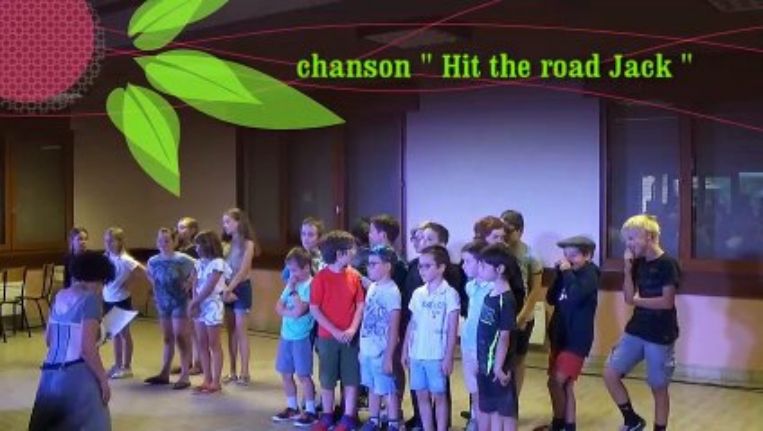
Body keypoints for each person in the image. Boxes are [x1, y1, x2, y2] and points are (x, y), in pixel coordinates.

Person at [604, 215, 681, 431]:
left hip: (660, 334)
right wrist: (627, 270)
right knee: (610, 373)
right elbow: (628, 297)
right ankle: (632, 420)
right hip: (636, 329)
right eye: (626, 240)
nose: (628, 244)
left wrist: (638, 301)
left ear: (650, 236)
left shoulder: (668, 264)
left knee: (658, 386)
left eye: (632, 238)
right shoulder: (637, 263)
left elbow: (666, 302)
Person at [29, 251, 115, 431]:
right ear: (96, 277)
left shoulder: (60, 295)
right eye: (102, 282)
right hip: (76, 373)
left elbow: (49, 339)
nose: (101, 288)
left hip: (50, 374)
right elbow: (87, 349)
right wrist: (103, 380)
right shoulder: (90, 300)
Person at [309, 231, 365, 431]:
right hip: (327, 337)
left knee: (351, 378)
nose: (355, 252)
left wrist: (352, 328)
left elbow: (360, 304)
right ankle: (327, 415)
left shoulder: (354, 276)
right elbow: (314, 308)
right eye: (351, 249)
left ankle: (348, 416)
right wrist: (333, 331)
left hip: (350, 337)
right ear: (340, 254)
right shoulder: (321, 278)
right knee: (327, 378)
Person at [543, 236, 600, 431]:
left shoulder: (590, 274)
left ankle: (562, 424)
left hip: (576, 340)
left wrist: (567, 273)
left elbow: (576, 296)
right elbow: (551, 299)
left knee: (557, 381)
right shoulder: (566, 274)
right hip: (560, 337)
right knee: (562, 385)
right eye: (566, 255)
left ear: (588, 256)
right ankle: (564, 424)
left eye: (574, 255)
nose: (568, 259)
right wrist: (558, 276)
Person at [402, 245, 460, 431]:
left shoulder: (449, 294)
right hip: (417, 353)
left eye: (427, 266)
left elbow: (452, 328)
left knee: (439, 396)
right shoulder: (418, 293)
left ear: (441, 267)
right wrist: (405, 350)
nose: (422, 270)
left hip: (436, 354)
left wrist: (449, 356)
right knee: (421, 395)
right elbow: (412, 323)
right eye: (420, 266)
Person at [475, 243, 521, 431]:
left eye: (484, 265)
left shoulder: (506, 300)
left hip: (498, 365)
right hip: (486, 363)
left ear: (500, 269)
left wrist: (498, 366)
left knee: (505, 410)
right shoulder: (490, 294)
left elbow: (504, 336)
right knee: (490, 408)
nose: (480, 268)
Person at [272, 247, 319, 427]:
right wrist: (288, 310)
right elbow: (278, 307)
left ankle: (310, 410)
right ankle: (292, 407)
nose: (292, 274)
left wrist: (292, 293)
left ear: (306, 267)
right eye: (290, 270)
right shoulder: (291, 284)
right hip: (286, 334)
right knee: (285, 373)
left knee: (303, 374)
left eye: (294, 270)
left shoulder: (310, 285)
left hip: (302, 336)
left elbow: (300, 310)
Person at [144, 228, 196, 390]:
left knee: (181, 337)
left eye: (167, 240)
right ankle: (164, 372)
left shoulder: (183, 259)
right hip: (163, 302)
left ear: (174, 242)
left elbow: (199, 269)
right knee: (167, 337)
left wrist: (189, 283)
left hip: (179, 301)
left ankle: (185, 374)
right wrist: (155, 290)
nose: (163, 244)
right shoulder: (153, 261)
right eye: (160, 240)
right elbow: (150, 275)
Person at [358, 245, 403, 431]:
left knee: (387, 389)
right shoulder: (373, 287)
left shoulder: (392, 292)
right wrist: (362, 348)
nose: (369, 267)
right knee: (372, 386)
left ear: (388, 266)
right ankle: (374, 419)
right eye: (368, 264)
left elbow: (393, 326)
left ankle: (393, 422)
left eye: (374, 264)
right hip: (368, 347)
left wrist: (388, 356)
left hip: (382, 350)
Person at [500, 210, 542, 394]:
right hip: (502, 312)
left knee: (518, 359)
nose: (504, 235)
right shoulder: (498, 252)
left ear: (520, 231)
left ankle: (514, 399)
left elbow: (535, 290)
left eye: (508, 231)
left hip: (522, 314)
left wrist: (523, 316)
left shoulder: (530, 255)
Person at [221, 208, 261, 385]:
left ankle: (245, 371)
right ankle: (232, 371)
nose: (225, 225)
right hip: (226, 288)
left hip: (241, 288)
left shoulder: (248, 244)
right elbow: (221, 268)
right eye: (224, 222)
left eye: (228, 221)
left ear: (238, 222)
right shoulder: (226, 245)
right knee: (230, 332)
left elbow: (244, 270)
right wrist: (224, 288)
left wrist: (229, 288)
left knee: (241, 330)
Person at [189, 230, 231, 395]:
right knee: (202, 342)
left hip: (213, 304)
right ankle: (206, 378)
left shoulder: (218, 263)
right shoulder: (198, 263)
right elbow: (195, 283)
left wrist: (195, 302)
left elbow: (210, 286)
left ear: (207, 245)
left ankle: (216, 381)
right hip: (199, 304)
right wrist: (195, 302)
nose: (196, 248)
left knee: (214, 343)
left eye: (198, 244)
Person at [103, 227, 142, 380]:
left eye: (112, 240)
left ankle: (127, 366)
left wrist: (129, 284)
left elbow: (142, 272)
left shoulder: (126, 259)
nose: (108, 243)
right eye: (106, 240)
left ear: (119, 242)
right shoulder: (106, 257)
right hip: (108, 298)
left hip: (121, 299)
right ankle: (118, 364)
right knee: (114, 334)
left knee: (124, 333)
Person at [460, 239, 491, 431]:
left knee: (484, 391)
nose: (463, 266)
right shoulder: (470, 286)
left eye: (467, 261)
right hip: (468, 344)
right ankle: (475, 419)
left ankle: (483, 424)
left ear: (481, 263)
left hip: (484, 347)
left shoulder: (492, 289)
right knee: (474, 389)